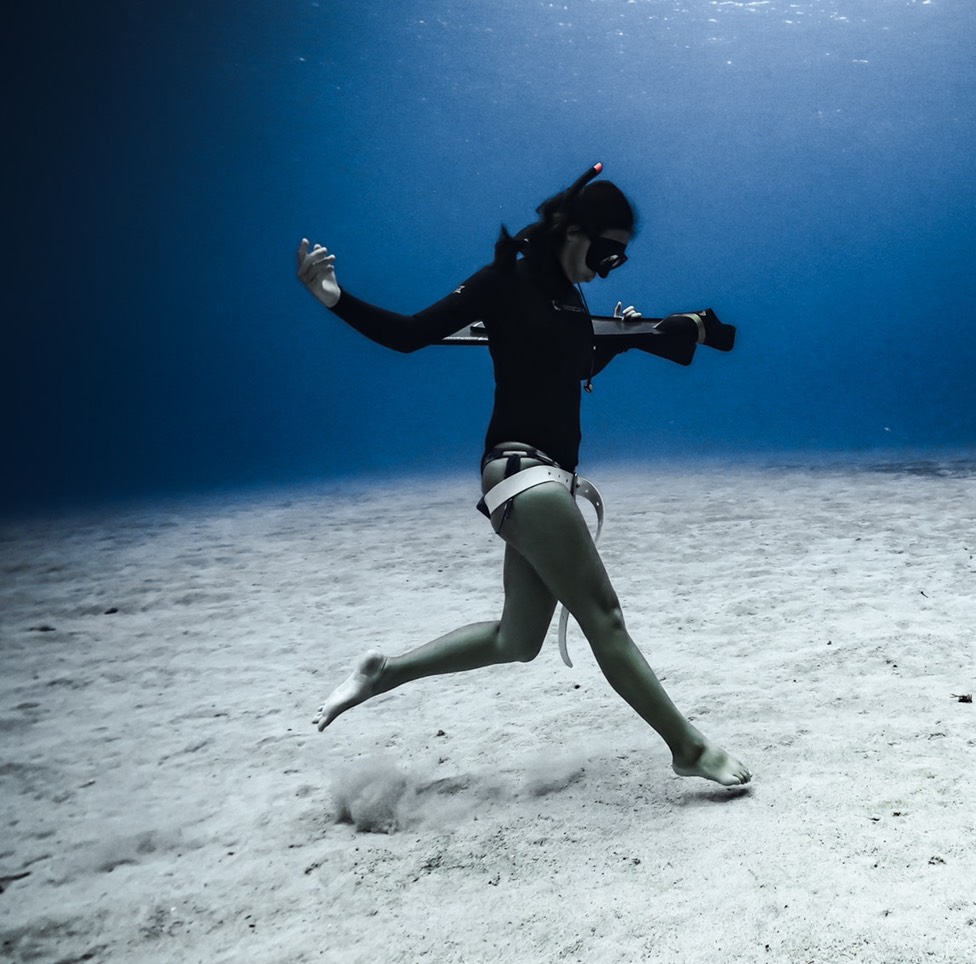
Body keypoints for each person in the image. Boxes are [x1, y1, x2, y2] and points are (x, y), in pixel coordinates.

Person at [295, 163, 751, 787]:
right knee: (604, 617)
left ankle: (384, 673)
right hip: (520, 470)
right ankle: (688, 748)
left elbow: (569, 369)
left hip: (547, 479)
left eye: (620, 257)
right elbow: (409, 334)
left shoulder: (572, 298)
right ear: (575, 231)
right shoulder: (504, 281)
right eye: (609, 251)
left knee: (517, 639)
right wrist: (334, 298)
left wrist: (630, 335)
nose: (611, 266)